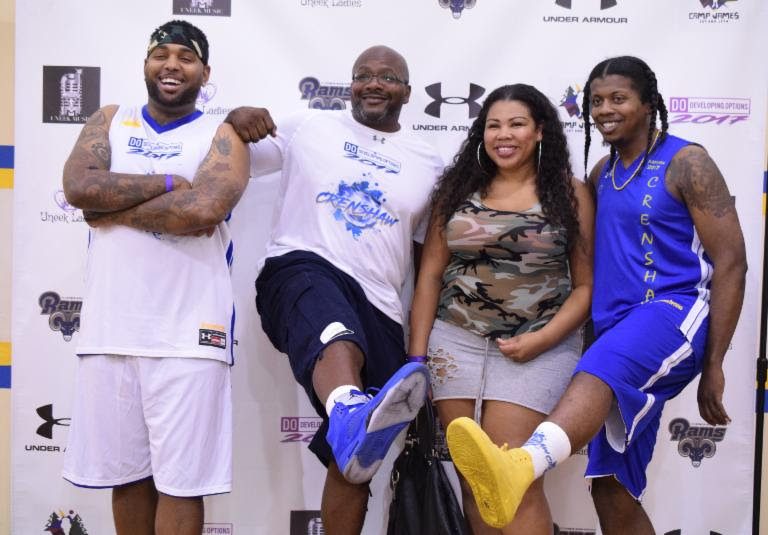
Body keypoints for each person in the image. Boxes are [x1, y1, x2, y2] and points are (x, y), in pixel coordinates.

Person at [446, 56, 747, 534]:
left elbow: (732, 262)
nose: (605, 110)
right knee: (611, 488)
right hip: (617, 327)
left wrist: (714, 364)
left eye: (618, 98)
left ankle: (521, 465)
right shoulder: (603, 172)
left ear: (648, 103)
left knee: (598, 368)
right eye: (597, 101)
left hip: (673, 312)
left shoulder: (688, 162)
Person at [60, 20, 273, 535]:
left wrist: (109, 207)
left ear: (205, 72)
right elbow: (79, 187)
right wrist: (171, 182)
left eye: (185, 57)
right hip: (111, 329)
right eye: (161, 55)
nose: (172, 65)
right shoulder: (109, 119)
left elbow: (202, 211)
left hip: (190, 334)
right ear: (146, 63)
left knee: (182, 484)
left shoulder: (222, 134)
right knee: (127, 478)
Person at [225, 45, 443, 535]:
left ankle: (350, 422)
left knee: (354, 463)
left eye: (387, 77)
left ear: (407, 93)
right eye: (363, 75)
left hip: (381, 306)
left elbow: (425, 260)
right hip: (301, 269)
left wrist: (418, 347)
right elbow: (239, 154)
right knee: (336, 338)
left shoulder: (429, 163)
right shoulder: (309, 126)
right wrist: (233, 121)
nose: (373, 83)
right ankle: (346, 408)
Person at [407, 84, 594, 534]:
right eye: (493, 125)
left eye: (516, 124)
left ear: (540, 131)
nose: (503, 135)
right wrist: (416, 359)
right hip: (454, 344)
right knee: (476, 482)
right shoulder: (455, 190)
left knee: (515, 480)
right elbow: (430, 276)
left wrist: (542, 340)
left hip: (539, 345)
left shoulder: (570, 194)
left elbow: (587, 287)